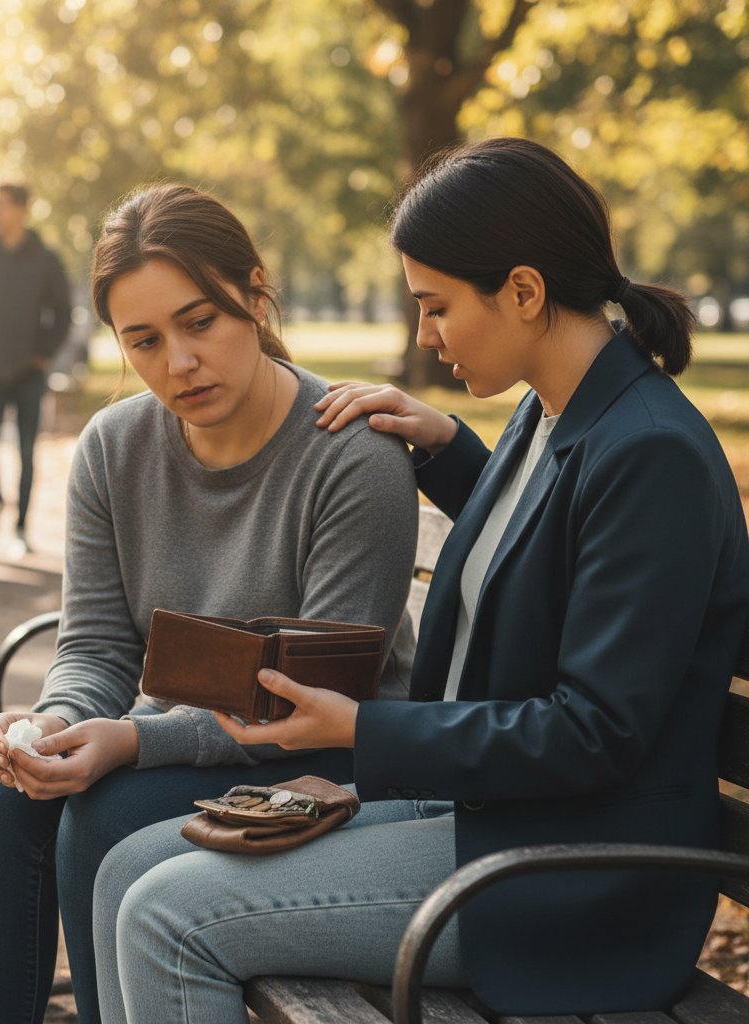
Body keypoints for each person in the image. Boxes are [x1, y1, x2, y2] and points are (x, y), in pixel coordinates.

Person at [92, 138, 749, 1023]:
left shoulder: (651, 452)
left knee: (169, 917)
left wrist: (368, 730)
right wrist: (450, 449)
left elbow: (596, 732)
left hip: (571, 870)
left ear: (522, 290)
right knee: (127, 866)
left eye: (436, 306)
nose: (423, 335)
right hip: (493, 816)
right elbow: (558, 550)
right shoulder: (553, 413)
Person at [0, 183, 421, 1024]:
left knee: (104, 814)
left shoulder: (352, 457)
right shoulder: (113, 446)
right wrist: (48, 729)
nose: (178, 363)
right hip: (176, 745)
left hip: (331, 756)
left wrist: (133, 741)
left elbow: (316, 700)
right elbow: (94, 645)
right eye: (145, 340)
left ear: (254, 291)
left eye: (199, 322)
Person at [0, 181, 74, 553]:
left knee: (26, 450)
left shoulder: (45, 257)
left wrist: (44, 354)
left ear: (21, 209)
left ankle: (22, 527)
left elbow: (63, 312)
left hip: (29, 371)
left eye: (1, 205)